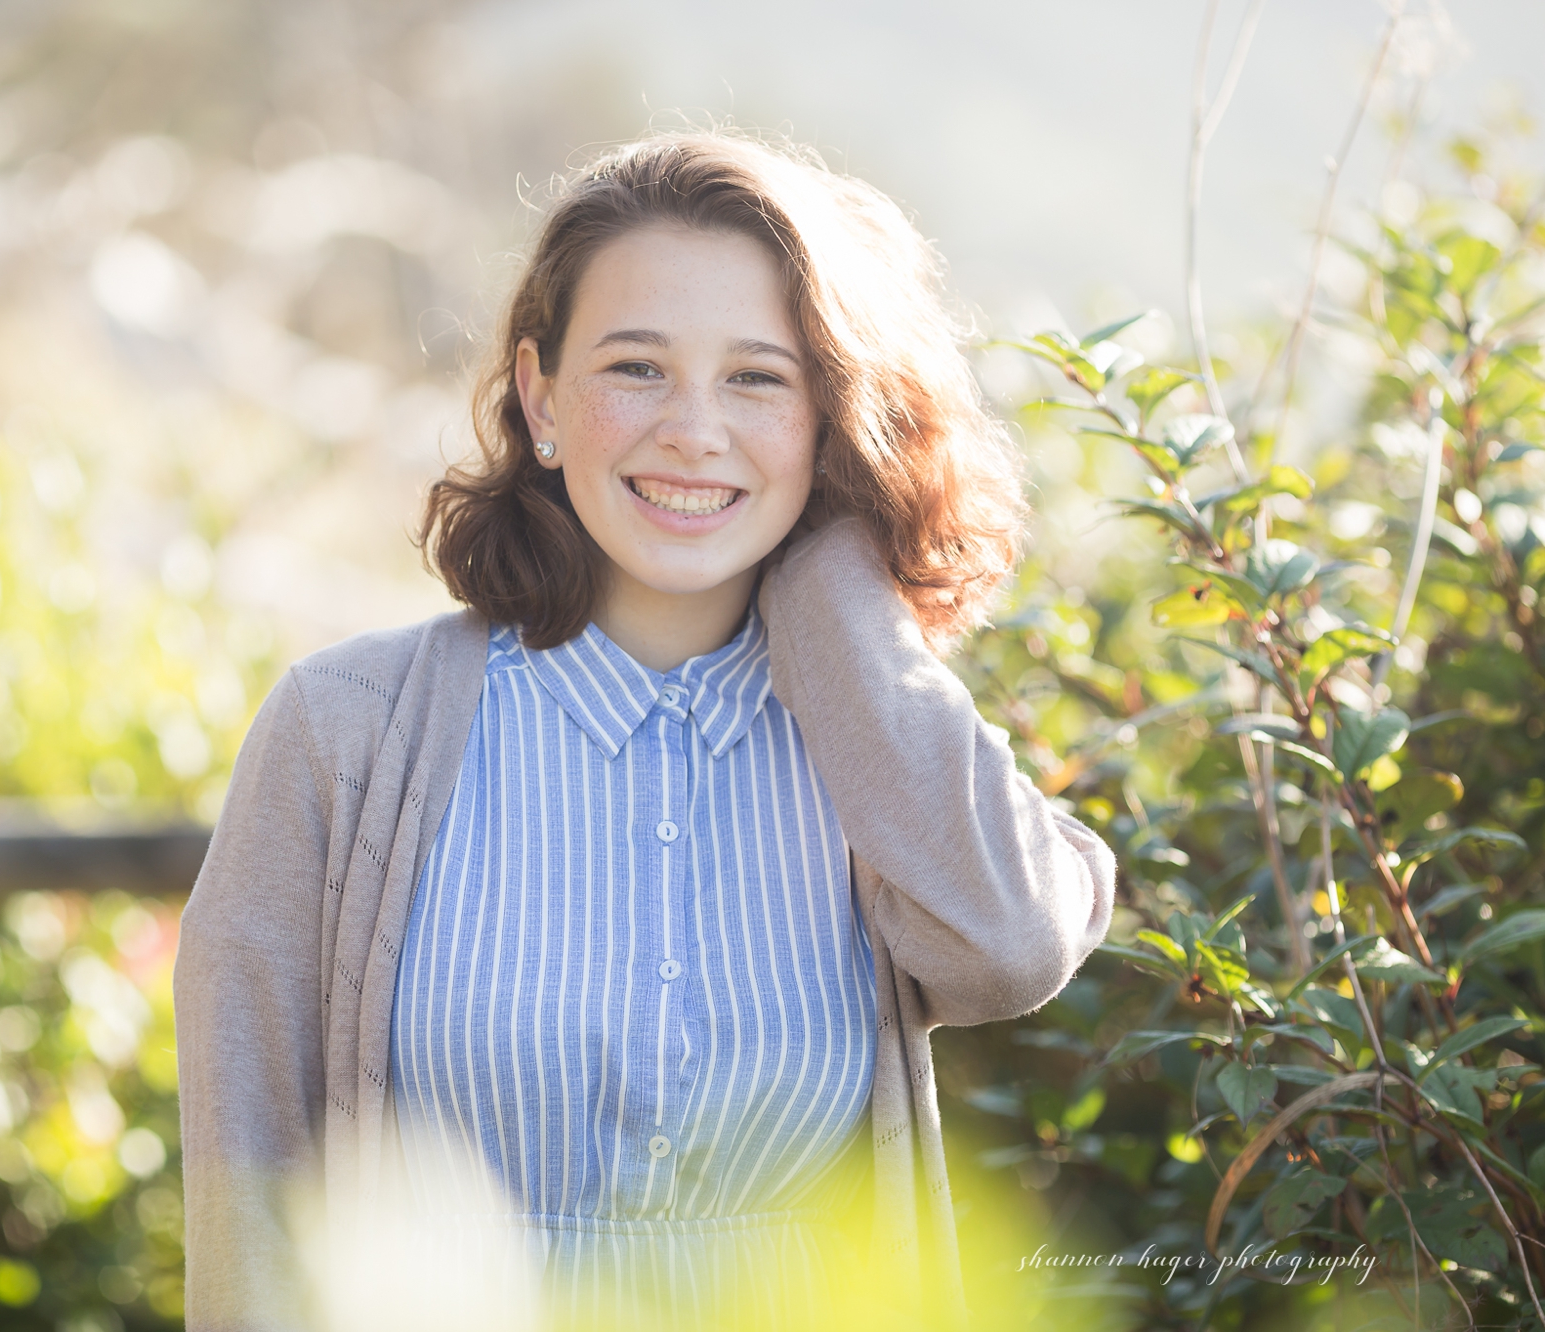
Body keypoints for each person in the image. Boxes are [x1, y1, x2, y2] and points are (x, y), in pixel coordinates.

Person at [174, 129, 1117, 1332]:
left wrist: (834, 578)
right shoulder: (343, 733)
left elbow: (1009, 944)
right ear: (539, 396)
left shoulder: (866, 742)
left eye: (758, 380)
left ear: (831, 418)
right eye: (635, 368)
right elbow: (247, 1188)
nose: (693, 430)